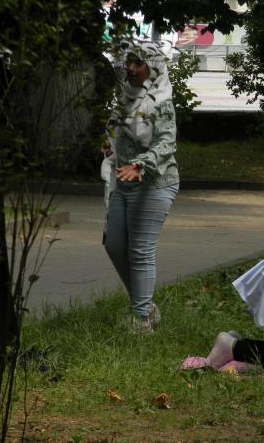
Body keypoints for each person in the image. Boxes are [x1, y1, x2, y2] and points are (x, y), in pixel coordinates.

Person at [103, 41, 179, 333]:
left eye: (139, 63)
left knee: (140, 250)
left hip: (155, 183)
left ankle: (142, 320)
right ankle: (145, 307)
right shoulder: (127, 97)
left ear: (154, 68)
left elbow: (167, 143)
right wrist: (109, 144)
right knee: (113, 245)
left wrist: (140, 165)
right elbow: (114, 128)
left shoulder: (161, 102)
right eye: (129, 62)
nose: (131, 68)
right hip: (123, 180)